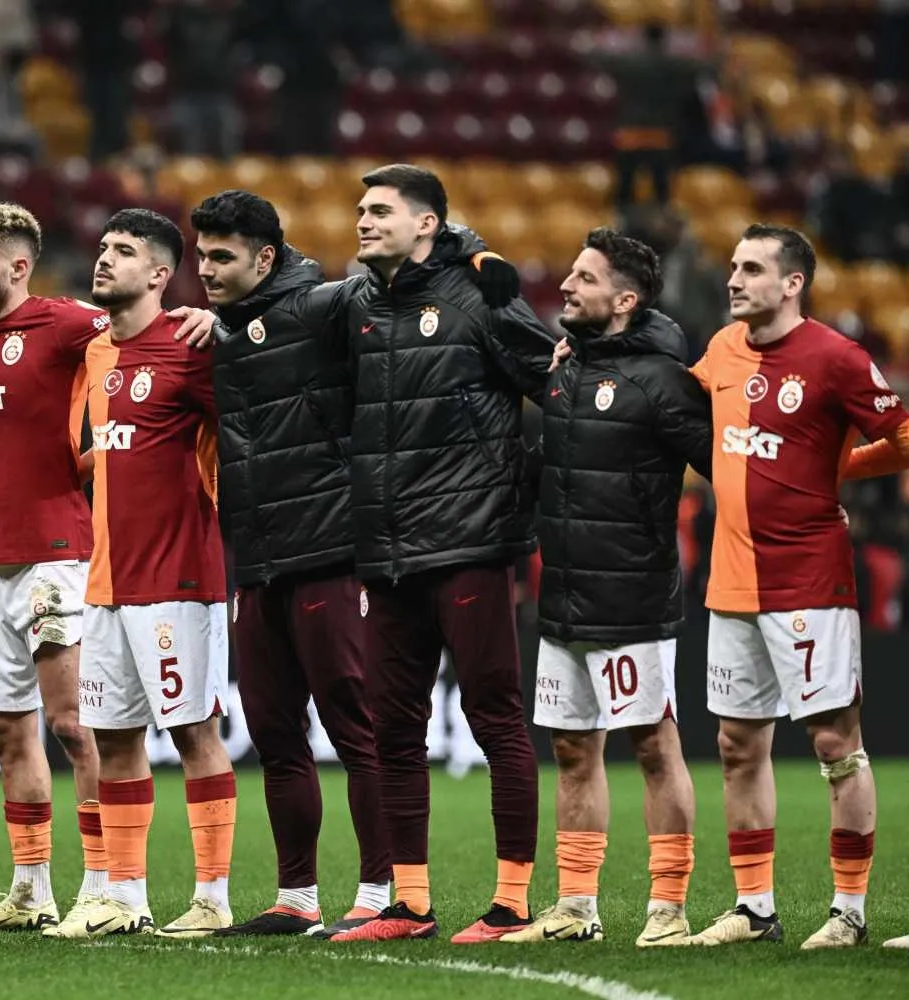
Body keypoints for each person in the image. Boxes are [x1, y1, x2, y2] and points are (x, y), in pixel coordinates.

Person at [294, 165, 554, 944]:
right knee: (394, 730)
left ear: (428, 224)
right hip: (385, 549)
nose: (363, 220)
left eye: (381, 210)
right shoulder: (358, 304)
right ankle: (408, 904)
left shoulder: (482, 295)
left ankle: (511, 904)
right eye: (360, 209)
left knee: (494, 719)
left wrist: (522, 485)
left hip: (469, 542)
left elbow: (560, 389)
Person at [0, 203, 213, 936]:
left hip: (57, 555)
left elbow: (146, 338)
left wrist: (200, 318)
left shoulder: (68, 323)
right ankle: (31, 890)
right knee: (3, 726)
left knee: (73, 724)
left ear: (18, 266)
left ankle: (102, 885)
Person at [683, 226, 909, 950]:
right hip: (730, 583)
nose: (734, 278)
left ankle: (849, 912)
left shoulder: (837, 358)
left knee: (836, 743)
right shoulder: (722, 348)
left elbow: (903, 437)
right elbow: (677, 405)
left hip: (810, 580)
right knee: (736, 744)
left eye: (752, 268)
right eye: (733, 266)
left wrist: (840, 470)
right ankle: (754, 910)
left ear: (792, 283)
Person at [185, 190, 389, 939]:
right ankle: (296, 897)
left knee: (355, 727)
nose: (206, 270)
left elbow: (404, 282)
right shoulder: (216, 331)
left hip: (332, 550)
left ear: (266, 258)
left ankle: (381, 892)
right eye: (201, 256)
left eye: (222, 257)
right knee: (274, 733)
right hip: (257, 559)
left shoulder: (325, 307)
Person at [502, 229, 711, 947]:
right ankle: (575, 907)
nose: (566, 284)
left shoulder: (662, 381)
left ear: (624, 300)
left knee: (653, 745)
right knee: (571, 749)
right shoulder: (565, 372)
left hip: (633, 600)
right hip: (563, 597)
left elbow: (725, 467)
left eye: (584, 278)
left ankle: (669, 908)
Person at [64, 209, 235, 939]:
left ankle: (213, 898)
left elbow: (251, 426)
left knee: (193, 732)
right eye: (104, 247)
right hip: (106, 580)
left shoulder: (192, 347)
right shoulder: (97, 351)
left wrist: (227, 329)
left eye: (125, 251)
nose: (105, 258)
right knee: (113, 739)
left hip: (178, 579)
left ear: (161, 275)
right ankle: (125, 897)